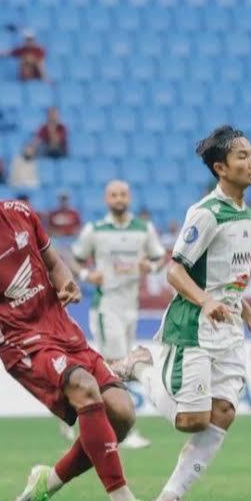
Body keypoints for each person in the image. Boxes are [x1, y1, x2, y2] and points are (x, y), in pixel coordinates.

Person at [0, 144, 156, 501]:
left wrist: (67, 282)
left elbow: (54, 261)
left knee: (122, 414)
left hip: (63, 329)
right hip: (23, 344)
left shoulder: (20, 213)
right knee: (84, 387)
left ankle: (47, 482)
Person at [138, 125, 251, 501]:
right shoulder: (205, 214)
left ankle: (168, 498)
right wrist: (205, 300)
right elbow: (174, 271)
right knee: (190, 420)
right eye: (242, 157)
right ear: (220, 168)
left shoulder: (245, 214)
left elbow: (231, 281)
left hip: (228, 327)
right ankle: (142, 367)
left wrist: (250, 316)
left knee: (224, 413)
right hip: (194, 325)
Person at [68, 180, 167, 450]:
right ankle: (124, 428)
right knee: (116, 365)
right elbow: (74, 258)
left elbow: (160, 259)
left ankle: (78, 413)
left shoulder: (143, 229)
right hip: (106, 305)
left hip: (130, 306)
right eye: (114, 194)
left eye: (123, 194)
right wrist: (88, 275)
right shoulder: (96, 230)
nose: (119, 198)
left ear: (129, 198)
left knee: (112, 367)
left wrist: (152, 267)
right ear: (106, 199)